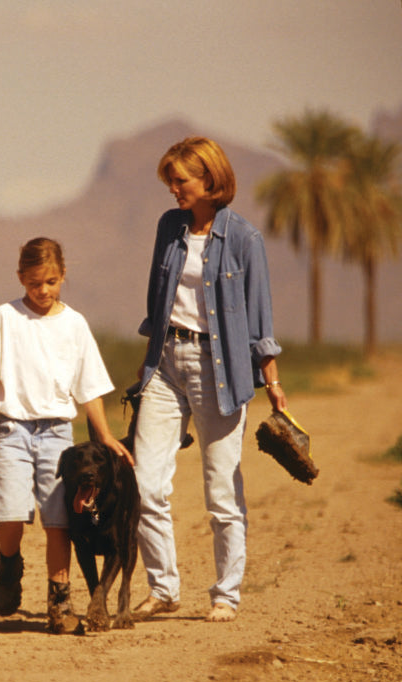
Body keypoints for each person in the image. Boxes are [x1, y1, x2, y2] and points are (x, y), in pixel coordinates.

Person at [130, 136, 287, 624]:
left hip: (219, 368)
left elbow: (260, 320)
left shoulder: (244, 239)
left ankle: (226, 593)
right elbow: (158, 302)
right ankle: (164, 588)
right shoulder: (169, 227)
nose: (173, 189)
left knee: (221, 490)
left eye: (181, 180)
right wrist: (146, 363)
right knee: (146, 482)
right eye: (170, 180)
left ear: (210, 180)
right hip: (165, 363)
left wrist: (273, 382)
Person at [0, 237, 132, 634]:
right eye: (34, 284)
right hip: (11, 429)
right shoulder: (5, 317)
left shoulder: (74, 324)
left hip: (59, 434)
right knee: (9, 513)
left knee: (59, 519)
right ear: (21, 278)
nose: (43, 291)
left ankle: (59, 602)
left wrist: (106, 436)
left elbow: (89, 387)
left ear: (63, 276)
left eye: (52, 282)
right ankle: (9, 564)